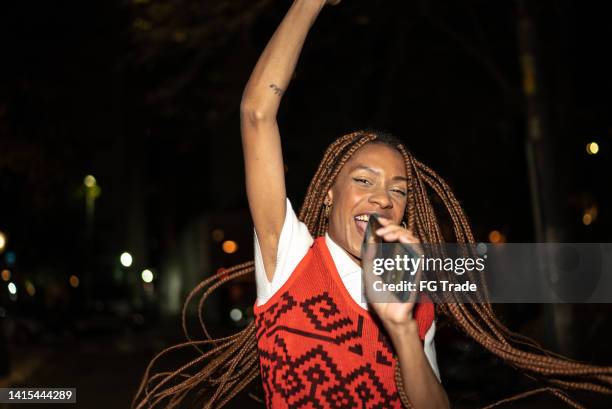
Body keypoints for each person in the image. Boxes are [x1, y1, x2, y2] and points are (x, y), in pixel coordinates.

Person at [133, 1, 612, 408]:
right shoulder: (293, 257)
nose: (383, 197)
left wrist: (403, 330)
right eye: (364, 180)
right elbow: (257, 113)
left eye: (399, 189)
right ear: (328, 194)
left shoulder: (414, 290)